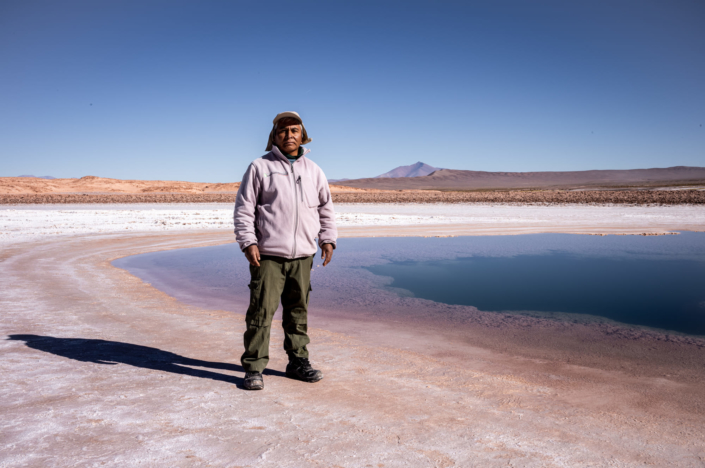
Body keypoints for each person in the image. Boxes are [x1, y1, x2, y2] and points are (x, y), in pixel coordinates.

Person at [233, 111, 337, 390]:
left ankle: (297, 361)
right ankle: (254, 368)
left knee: (298, 312)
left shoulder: (314, 170)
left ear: (302, 134)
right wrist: (248, 242)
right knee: (260, 312)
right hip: (267, 254)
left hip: (303, 254)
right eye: (283, 131)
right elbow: (244, 209)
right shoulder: (259, 167)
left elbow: (325, 208)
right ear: (274, 136)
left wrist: (327, 239)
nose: (289, 135)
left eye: (294, 130)